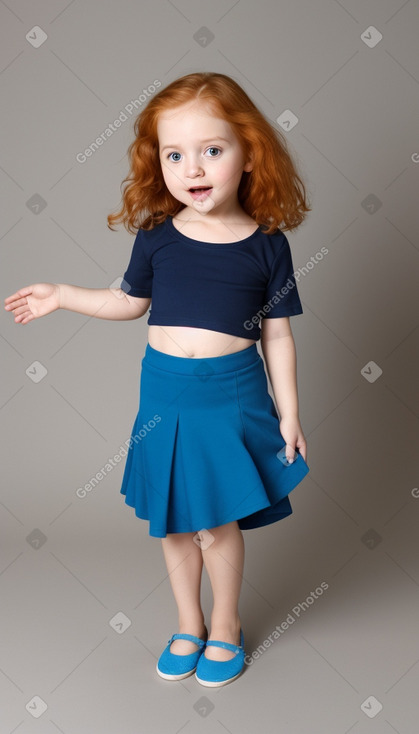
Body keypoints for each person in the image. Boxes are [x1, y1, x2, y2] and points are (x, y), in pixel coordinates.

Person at [4, 71, 312, 688]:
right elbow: (127, 303)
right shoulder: (157, 238)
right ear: (157, 163)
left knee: (218, 519)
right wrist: (62, 294)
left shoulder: (267, 245)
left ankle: (226, 625)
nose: (192, 168)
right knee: (174, 518)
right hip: (164, 396)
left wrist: (290, 413)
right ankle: (187, 623)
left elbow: (277, 333)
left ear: (250, 153)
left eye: (212, 150)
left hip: (232, 395)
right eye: (175, 154)